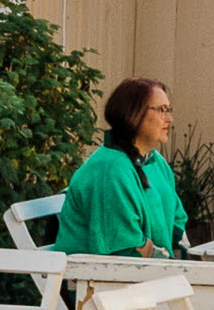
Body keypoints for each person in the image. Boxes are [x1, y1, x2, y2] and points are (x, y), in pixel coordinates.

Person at [54, 78, 188, 258]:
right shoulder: (110, 169)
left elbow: (177, 219)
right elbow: (124, 248)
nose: (169, 119)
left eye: (169, 110)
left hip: (147, 273)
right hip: (96, 279)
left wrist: (177, 259)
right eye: (161, 110)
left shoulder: (155, 162)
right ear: (132, 114)